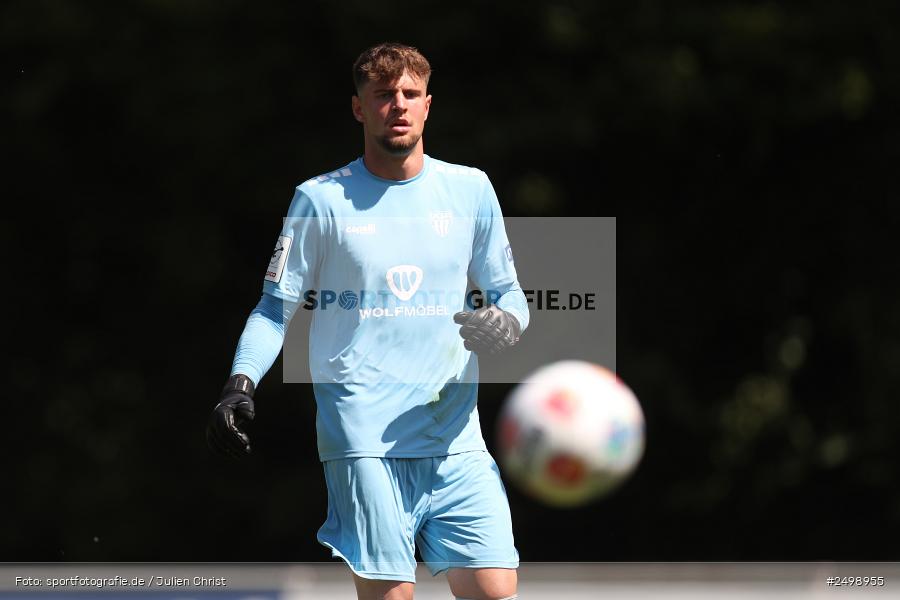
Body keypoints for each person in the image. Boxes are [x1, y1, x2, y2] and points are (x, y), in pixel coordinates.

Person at [207, 42, 528, 600]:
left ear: (428, 104)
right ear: (359, 108)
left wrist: (505, 322)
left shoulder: (470, 189)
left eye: (409, 94)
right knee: (392, 597)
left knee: (494, 591)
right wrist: (240, 383)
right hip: (363, 436)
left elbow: (508, 294)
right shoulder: (320, 200)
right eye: (383, 95)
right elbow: (273, 308)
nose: (397, 105)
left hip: (454, 432)